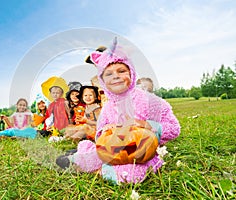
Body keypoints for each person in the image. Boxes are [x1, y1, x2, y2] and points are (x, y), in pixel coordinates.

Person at [56, 38, 180, 184]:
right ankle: (80, 157)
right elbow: (100, 132)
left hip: (142, 152)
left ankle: (97, 168)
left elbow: (174, 128)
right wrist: (105, 131)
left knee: (132, 174)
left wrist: (146, 124)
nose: (115, 76)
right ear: (102, 80)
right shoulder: (108, 107)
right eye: (108, 74)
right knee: (101, 154)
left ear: (131, 74)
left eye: (121, 71)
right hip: (113, 149)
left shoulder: (149, 101)